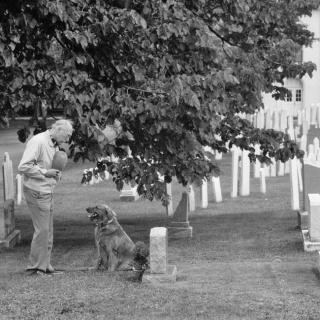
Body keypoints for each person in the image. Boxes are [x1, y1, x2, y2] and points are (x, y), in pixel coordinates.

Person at [18, 119, 73, 276]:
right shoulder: (38, 141)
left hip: (47, 191)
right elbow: (23, 166)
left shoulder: (53, 142)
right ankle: (35, 268)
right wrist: (44, 172)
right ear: (59, 130)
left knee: (48, 231)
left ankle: (45, 265)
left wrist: (55, 173)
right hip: (36, 191)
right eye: (67, 135)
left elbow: (48, 164)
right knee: (42, 231)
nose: (68, 140)